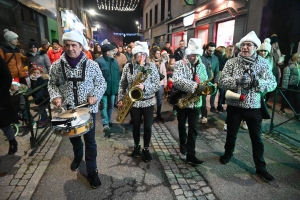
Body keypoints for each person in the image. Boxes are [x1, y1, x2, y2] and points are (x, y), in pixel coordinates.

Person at [48, 29, 106, 189]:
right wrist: (56, 96)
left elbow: (101, 83)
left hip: (87, 111)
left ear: (81, 46)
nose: (70, 48)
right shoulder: (56, 66)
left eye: (74, 45)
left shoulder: (92, 65)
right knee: (74, 139)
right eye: (67, 45)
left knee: (90, 141)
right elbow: (52, 83)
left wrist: (94, 94)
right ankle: (77, 156)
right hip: (67, 111)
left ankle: (92, 170)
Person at [218, 31, 277, 182]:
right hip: (235, 105)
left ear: (255, 47)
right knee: (231, 133)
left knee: (257, 138)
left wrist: (258, 83)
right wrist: (238, 81)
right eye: (243, 45)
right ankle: (227, 154)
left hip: (253, 106)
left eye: (248, 45)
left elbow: (272, 83)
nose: (245, 47)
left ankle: (261, 167)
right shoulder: (232, 62)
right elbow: (222, 81)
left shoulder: (263, 63)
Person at [118, 41, 160, 162]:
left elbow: (157, 84)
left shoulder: (151, 66)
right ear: (134, 55)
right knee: (136, 126)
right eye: (139, 54)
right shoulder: (128, 66)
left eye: (143, 54)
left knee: (147, 127)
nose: (141, 57)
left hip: (148, 101)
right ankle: (137, 146)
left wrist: (145, 87)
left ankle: (146, 149)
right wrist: (120, 99)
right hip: (134, 102)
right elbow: (122, 84)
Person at [173, 38, 208, 164]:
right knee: (182, 126)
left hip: (196, 102)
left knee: (194, 129)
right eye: (192, 54)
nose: (194, 57)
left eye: (197, 54)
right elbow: (176, 81)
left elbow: (204, 80)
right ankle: (183, 143)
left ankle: (191, 154)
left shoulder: (202, 65)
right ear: (188, 53)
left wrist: (206, 88)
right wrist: (194, 86)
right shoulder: (180, 64)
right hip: (182, 101)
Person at [95, 43, 120, 131]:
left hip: (113, 89)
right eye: (112, 51)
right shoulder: (98, 61)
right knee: (104, 106)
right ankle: (105, 123)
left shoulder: (115, 61)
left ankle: (108, 120)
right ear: (107, 52)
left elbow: (117, 76)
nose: (114, 52)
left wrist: (117, 87)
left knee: (111, 106)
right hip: (103, 90)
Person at [0, 56, 19, 154]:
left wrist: (1, 92)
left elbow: (7, 77)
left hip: (1, 98)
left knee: (4, 124)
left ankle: (12, 141)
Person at [200, 42, 219, 123]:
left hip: (212, 81)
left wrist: (216, 81)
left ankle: (211, 107)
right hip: (203, 82)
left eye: (213, 51)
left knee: (212, 97)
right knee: (203, 99)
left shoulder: (216, 58)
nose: (211, 52)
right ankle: (204, 115)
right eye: (210, 51)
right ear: (206, 49)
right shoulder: (200, 57)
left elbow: (217, 71)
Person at [278, 53, 300, 118]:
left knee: (297, 100)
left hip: (297, 86)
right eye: (299, 58)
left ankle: (297, 114)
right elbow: (285, 78)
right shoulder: (289, 67)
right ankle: (282, 109)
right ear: (295, 58)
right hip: (290, 86)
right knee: (286, 98)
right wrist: (284, 88)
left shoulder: (298, 66)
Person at [150, 47, 167, 122]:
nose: (158, 55)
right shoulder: (150, 62)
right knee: (151, 99)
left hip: (160, 84)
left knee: (159, 100)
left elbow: (164, 72)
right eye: (157, 53)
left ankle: (158, 114)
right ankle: (150, 114)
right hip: (152, 83)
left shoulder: (162, 62)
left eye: (159, 53)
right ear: (153, 54)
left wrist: (165, 82)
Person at [214, 46, 226, 112]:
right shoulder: (220, 57)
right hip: (220, 76)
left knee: (215, 92)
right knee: (221, 92)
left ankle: (214, 106)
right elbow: (220, 67)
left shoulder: (216, 56)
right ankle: (219, 105)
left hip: (218, 76)